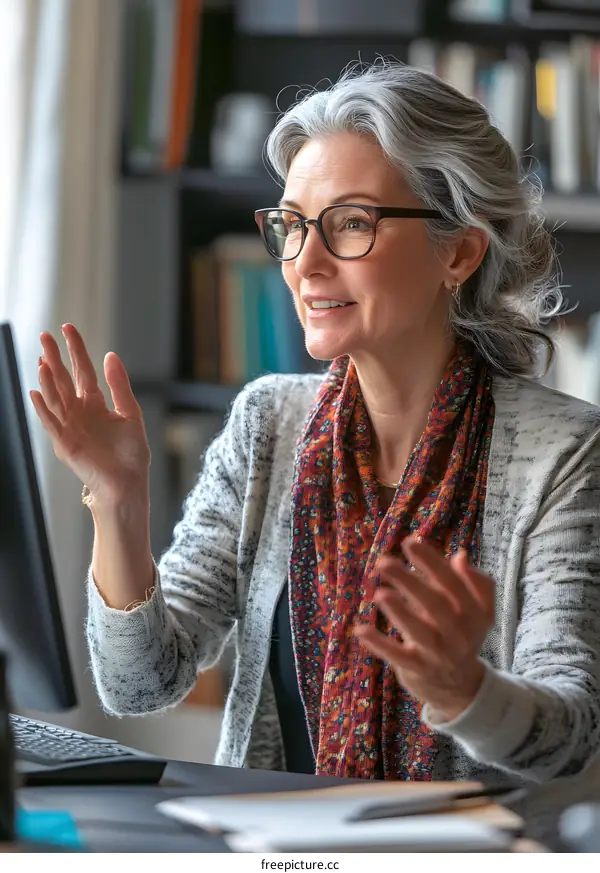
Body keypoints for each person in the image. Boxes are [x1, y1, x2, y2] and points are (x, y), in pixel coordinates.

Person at [31, 61, 600, 845]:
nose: (305, 261)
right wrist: (118, 502)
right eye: (293, 224)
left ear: (459, 253)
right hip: (268, 851)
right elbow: (140, 682)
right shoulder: (269, 424)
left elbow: (572, 732)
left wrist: (465, 688)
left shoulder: (564, 452)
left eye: (352, 223)